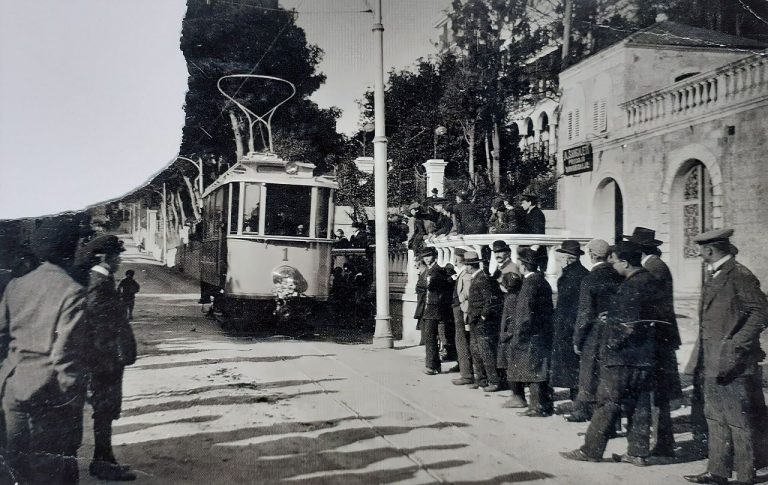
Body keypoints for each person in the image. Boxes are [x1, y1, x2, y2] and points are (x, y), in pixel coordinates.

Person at [0, 217, 89, 484]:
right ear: (69, 248)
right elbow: (65, 356)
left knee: (17, 465)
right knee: (48, 470)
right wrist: (73, 400)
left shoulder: (17, 284)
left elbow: (2, 335)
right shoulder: (72, 291)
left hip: (13, 388)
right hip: (49, 394)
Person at [561, 241, 660, 466]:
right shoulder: (650, 281)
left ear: (625, 262)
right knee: (639, 403)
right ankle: (638, 452)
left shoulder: (630, 286)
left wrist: (611, 342)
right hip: (645, 355)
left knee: (608, 401)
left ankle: (590, 450)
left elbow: (629, 323)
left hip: (622, 357)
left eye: (614, 261)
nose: (612, 265)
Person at [683, 228, 768, 485]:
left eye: (700, 249)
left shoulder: (739, 274)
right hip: (712, 361)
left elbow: (761, 313)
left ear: (710, 250)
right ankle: (717, 471)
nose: (698, 254)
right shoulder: (716, 274)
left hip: (734, 363)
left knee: (738, 420)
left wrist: (736, 344)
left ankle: (745, 474)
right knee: (715, 417)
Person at [78, 235, 137, 481]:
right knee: (104, 410)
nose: (119, 260)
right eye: (116, 255)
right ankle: (101, 462)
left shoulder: (102, 280)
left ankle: (106, 458)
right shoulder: (98, 283)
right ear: (105, 257)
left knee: (107, 410)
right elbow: (99, 324)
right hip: (104, 359)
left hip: (107, 358)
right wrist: (110, 354)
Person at [625, 227, 683, 458]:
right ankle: (662, 443)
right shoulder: (655, 265)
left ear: (641, 248)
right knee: (658, 392)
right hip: (662, 336)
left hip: (658, 338)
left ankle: (661, 444)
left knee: (657, 392)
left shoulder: (653, 268)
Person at [567, 239, 623, 422]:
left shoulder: (590, 280)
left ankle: (584, 411)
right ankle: (609, 419)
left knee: (588, 374)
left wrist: (577, 339)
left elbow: (584, 313)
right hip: (616, 331)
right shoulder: (618, 276)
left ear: (591, 255)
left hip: (594, 334)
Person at [507, 247, 555, 417]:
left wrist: (518, 335)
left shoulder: (528, 284)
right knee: (540, 369)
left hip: (530, 335)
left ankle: (537, 406)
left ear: (523, 265)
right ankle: (545, 405)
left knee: (533, 370)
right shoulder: (542, 281)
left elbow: (524, 313)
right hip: (543, 332)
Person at [550, 240, 589, 412]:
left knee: (572, 366)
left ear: (568, 258)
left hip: (568, 325)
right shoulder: (581, 273)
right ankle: (577, 400)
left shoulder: (572, 275)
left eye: (564, 255)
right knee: (574, 365)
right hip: (570, 324)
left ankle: (577, 403)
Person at [464, 251, 504, 391]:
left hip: (481, 322)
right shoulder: (478, 277)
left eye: (467, 265)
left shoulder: (482, 279)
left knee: (485, 352)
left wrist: (483, 316)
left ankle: (493, 381)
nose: (465, 268)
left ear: (470, 266)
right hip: (474, 320)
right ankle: (481, 380)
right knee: (476, 351)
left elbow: (490, 300)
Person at [414, 247, 450, 375]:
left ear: (434, 256)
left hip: (434, 308)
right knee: (429, 337)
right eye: (425, 256)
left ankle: (431, 366)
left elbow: (434, 288)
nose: (427, 258)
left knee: (430, 337)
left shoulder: (438, 270)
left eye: (429, 256)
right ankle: (434, 365)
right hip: (427, 308)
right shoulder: (428, 270)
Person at [497, 271, 524, 408]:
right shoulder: (517, 296)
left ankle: (517, 397)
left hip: (510, 338)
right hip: (512, 337)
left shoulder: (511, 298)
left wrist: (507, 334)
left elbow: (512, 319)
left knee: (511, 368)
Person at [451, 249, 475, 386]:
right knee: (461, 341)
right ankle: (465, 372)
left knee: (462, 341)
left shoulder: (465, 275)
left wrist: (465, 313)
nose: (454, 261)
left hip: (462, 311)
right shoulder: (461, 273)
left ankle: (466, 375)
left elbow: (467, 296)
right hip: (458, 309)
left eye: (456, 258)